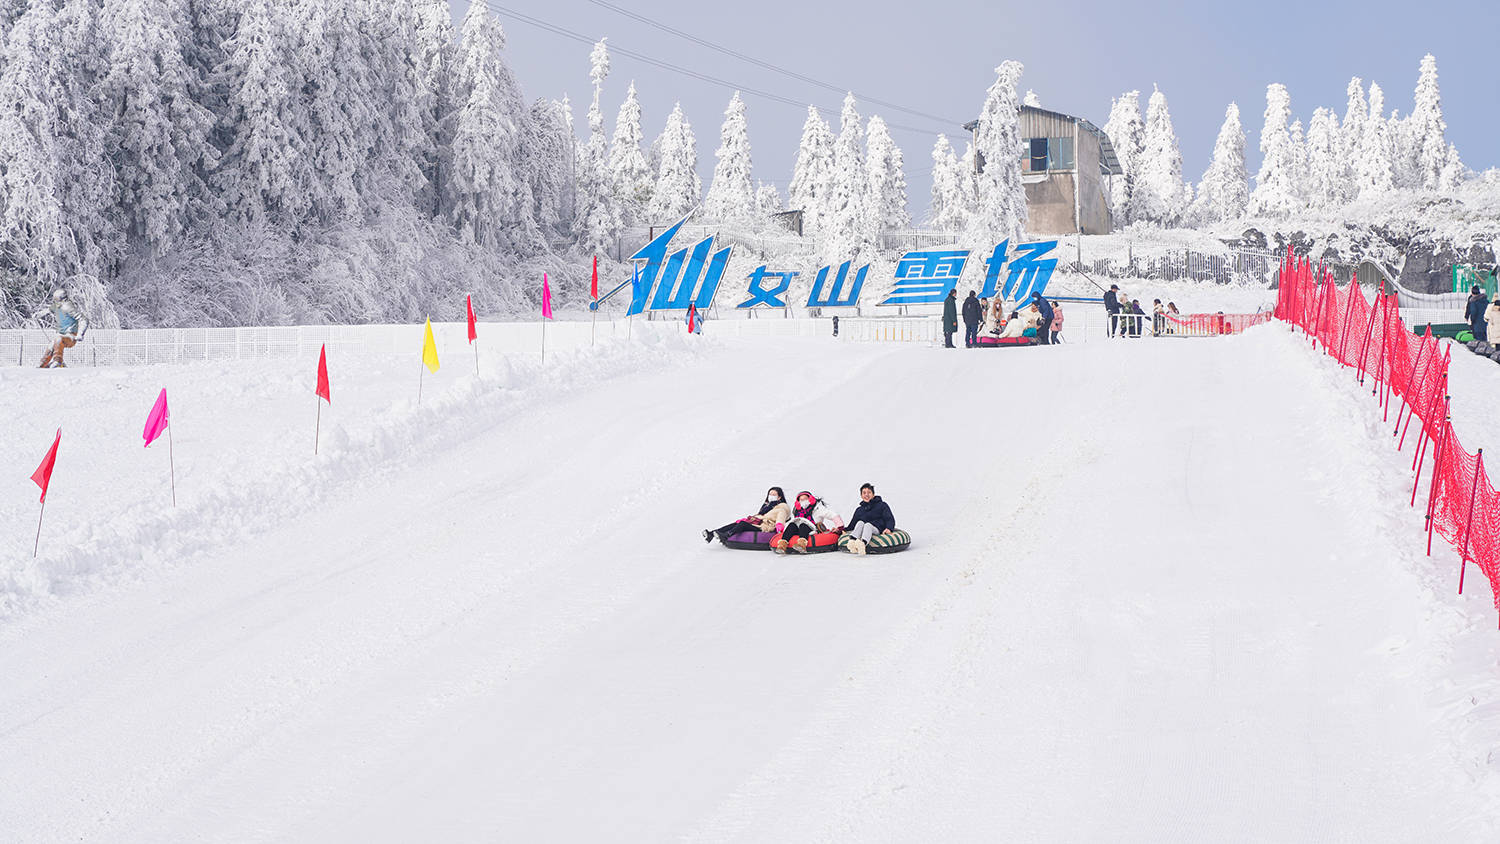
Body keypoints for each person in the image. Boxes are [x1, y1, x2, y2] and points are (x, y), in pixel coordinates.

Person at [703, 487, 790, 544]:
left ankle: (727, 535)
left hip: (765, 526)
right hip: (757, 523)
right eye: (770, 494)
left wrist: (779, 527)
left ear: (779, 497)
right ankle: (712, 534)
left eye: (774, 495)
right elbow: (759, 515)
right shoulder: (767, 506)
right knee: (738, 523)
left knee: (743, 524)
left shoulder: (782, 507)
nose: (771, 496)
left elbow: (781, 518)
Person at [772, 491, 843, 554]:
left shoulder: (818, 509)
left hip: (812, 528)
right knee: (792, 525)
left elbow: (831, 514)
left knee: (803, 525)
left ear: (810, 499)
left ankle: (802, 545)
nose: (803, 501)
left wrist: (839, 526)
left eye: (805, 499)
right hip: (798, 528)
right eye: (801, 500)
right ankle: (782, 544)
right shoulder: (798, 511)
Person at [39, 288, 88, 368]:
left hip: (71, 336)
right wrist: (39, 314)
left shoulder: (68, 307)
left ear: (63, 299)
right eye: (54, 300)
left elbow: (83, 319)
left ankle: (58, 361)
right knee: (52, 344)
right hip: (60, 335)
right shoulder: (57, 306)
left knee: (58, 339)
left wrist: (80, 333)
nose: (55, 301)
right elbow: (48, 310)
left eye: (57, 299)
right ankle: (42, 364)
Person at [843, 483, 896, 555]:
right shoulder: (859, 510)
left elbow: (889, 518)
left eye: (869, 492)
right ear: (861, 496)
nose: (866, 495)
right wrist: (842, 530)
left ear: (873, 494)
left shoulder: (882, 505)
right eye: (864, 493)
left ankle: (862, 544)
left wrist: (889, 528)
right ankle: (852, 542)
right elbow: (852, 524)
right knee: (860, 523)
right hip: (863, 529)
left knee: (867, 525)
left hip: (877, 528)